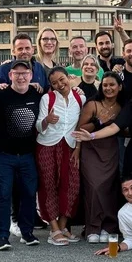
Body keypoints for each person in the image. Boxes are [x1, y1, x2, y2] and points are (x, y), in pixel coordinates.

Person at [0, 59, 43, 250]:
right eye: (16, 73)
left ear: (30, 75)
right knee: (4, 194)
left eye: (25, 73)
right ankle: (2, 236)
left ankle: (27, 232)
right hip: (4, 154)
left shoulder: (38, 94)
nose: (21, 76)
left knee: (29, 193)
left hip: (28, 154)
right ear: (10, 75)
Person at [36, 66, 85, 246]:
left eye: (62, 79)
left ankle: (63, 226)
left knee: (71, 185)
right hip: (47, 146)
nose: (60, 84)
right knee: (48, 186)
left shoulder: (80, 98)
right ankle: (54, 229)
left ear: (69, 77)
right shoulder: (46, 99)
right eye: (54, 82)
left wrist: (79, 148)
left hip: (70, 146)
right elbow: (38, 127)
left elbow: (81, 126)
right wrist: (47, 120)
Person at [74, 72, 123, 243]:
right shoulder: (93, 104)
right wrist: (98, 122)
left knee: (109, 188)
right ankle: (92, 227)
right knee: (94, 188)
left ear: (120, 87)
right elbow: (80, 128)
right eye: (105, 85)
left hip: (110, 150)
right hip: (91, 150)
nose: (108, 88)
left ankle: (108, 226)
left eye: (112, 85)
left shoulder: (121, 106)